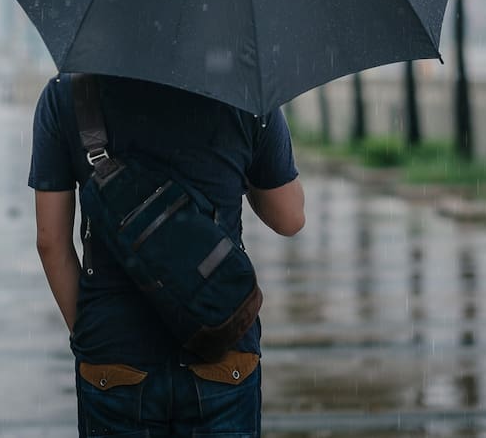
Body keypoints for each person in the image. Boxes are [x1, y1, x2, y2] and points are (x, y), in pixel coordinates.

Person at [29, 73, 305, 436]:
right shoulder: (247, 93)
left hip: (114, 355)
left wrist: (91, 336)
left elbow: (51, 242)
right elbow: (289, 217)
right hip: (221, 344)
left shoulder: (69, 93)